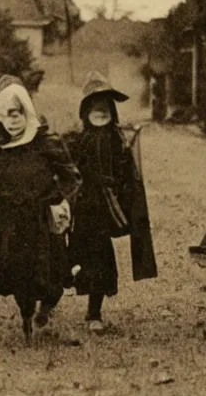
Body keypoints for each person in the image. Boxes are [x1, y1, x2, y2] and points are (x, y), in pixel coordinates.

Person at [0, 75, 82, 343]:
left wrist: (61, 201)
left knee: (51, 275)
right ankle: (27, 316)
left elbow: (71, 177)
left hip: (42, 216)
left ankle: (47, 308)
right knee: (19, 274)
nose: (13, 120)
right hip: (10, 219)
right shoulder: (0, 145)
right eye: (6, 115)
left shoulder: (45, 141)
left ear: (27, 111)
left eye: (17, 113)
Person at [65, 71, 157, 333]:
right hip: (82, 208)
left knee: (100, 260)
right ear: (85, 112)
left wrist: (124, 198)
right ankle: (48, 303)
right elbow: (66, 170)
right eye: (95, 108)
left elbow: (127, 175)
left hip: (105, 211)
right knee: (73, 258)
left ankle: (94, 313)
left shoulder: (118, 142)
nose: (100, 112)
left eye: (105, 108)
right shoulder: (77, 141)